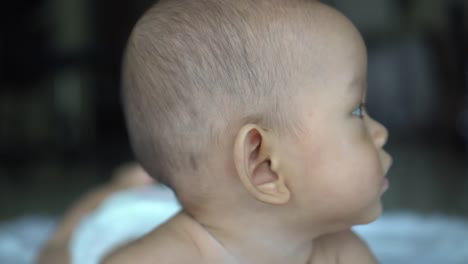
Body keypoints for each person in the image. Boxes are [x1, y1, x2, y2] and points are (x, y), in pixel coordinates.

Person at [40, 0, 393, 263]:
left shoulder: (342, 252)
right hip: (119, 227)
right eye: (357, 111)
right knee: (62, 247)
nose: (380, 133)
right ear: (263, 163)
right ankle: (121, 188)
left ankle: (138, 185)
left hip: (173, 206)